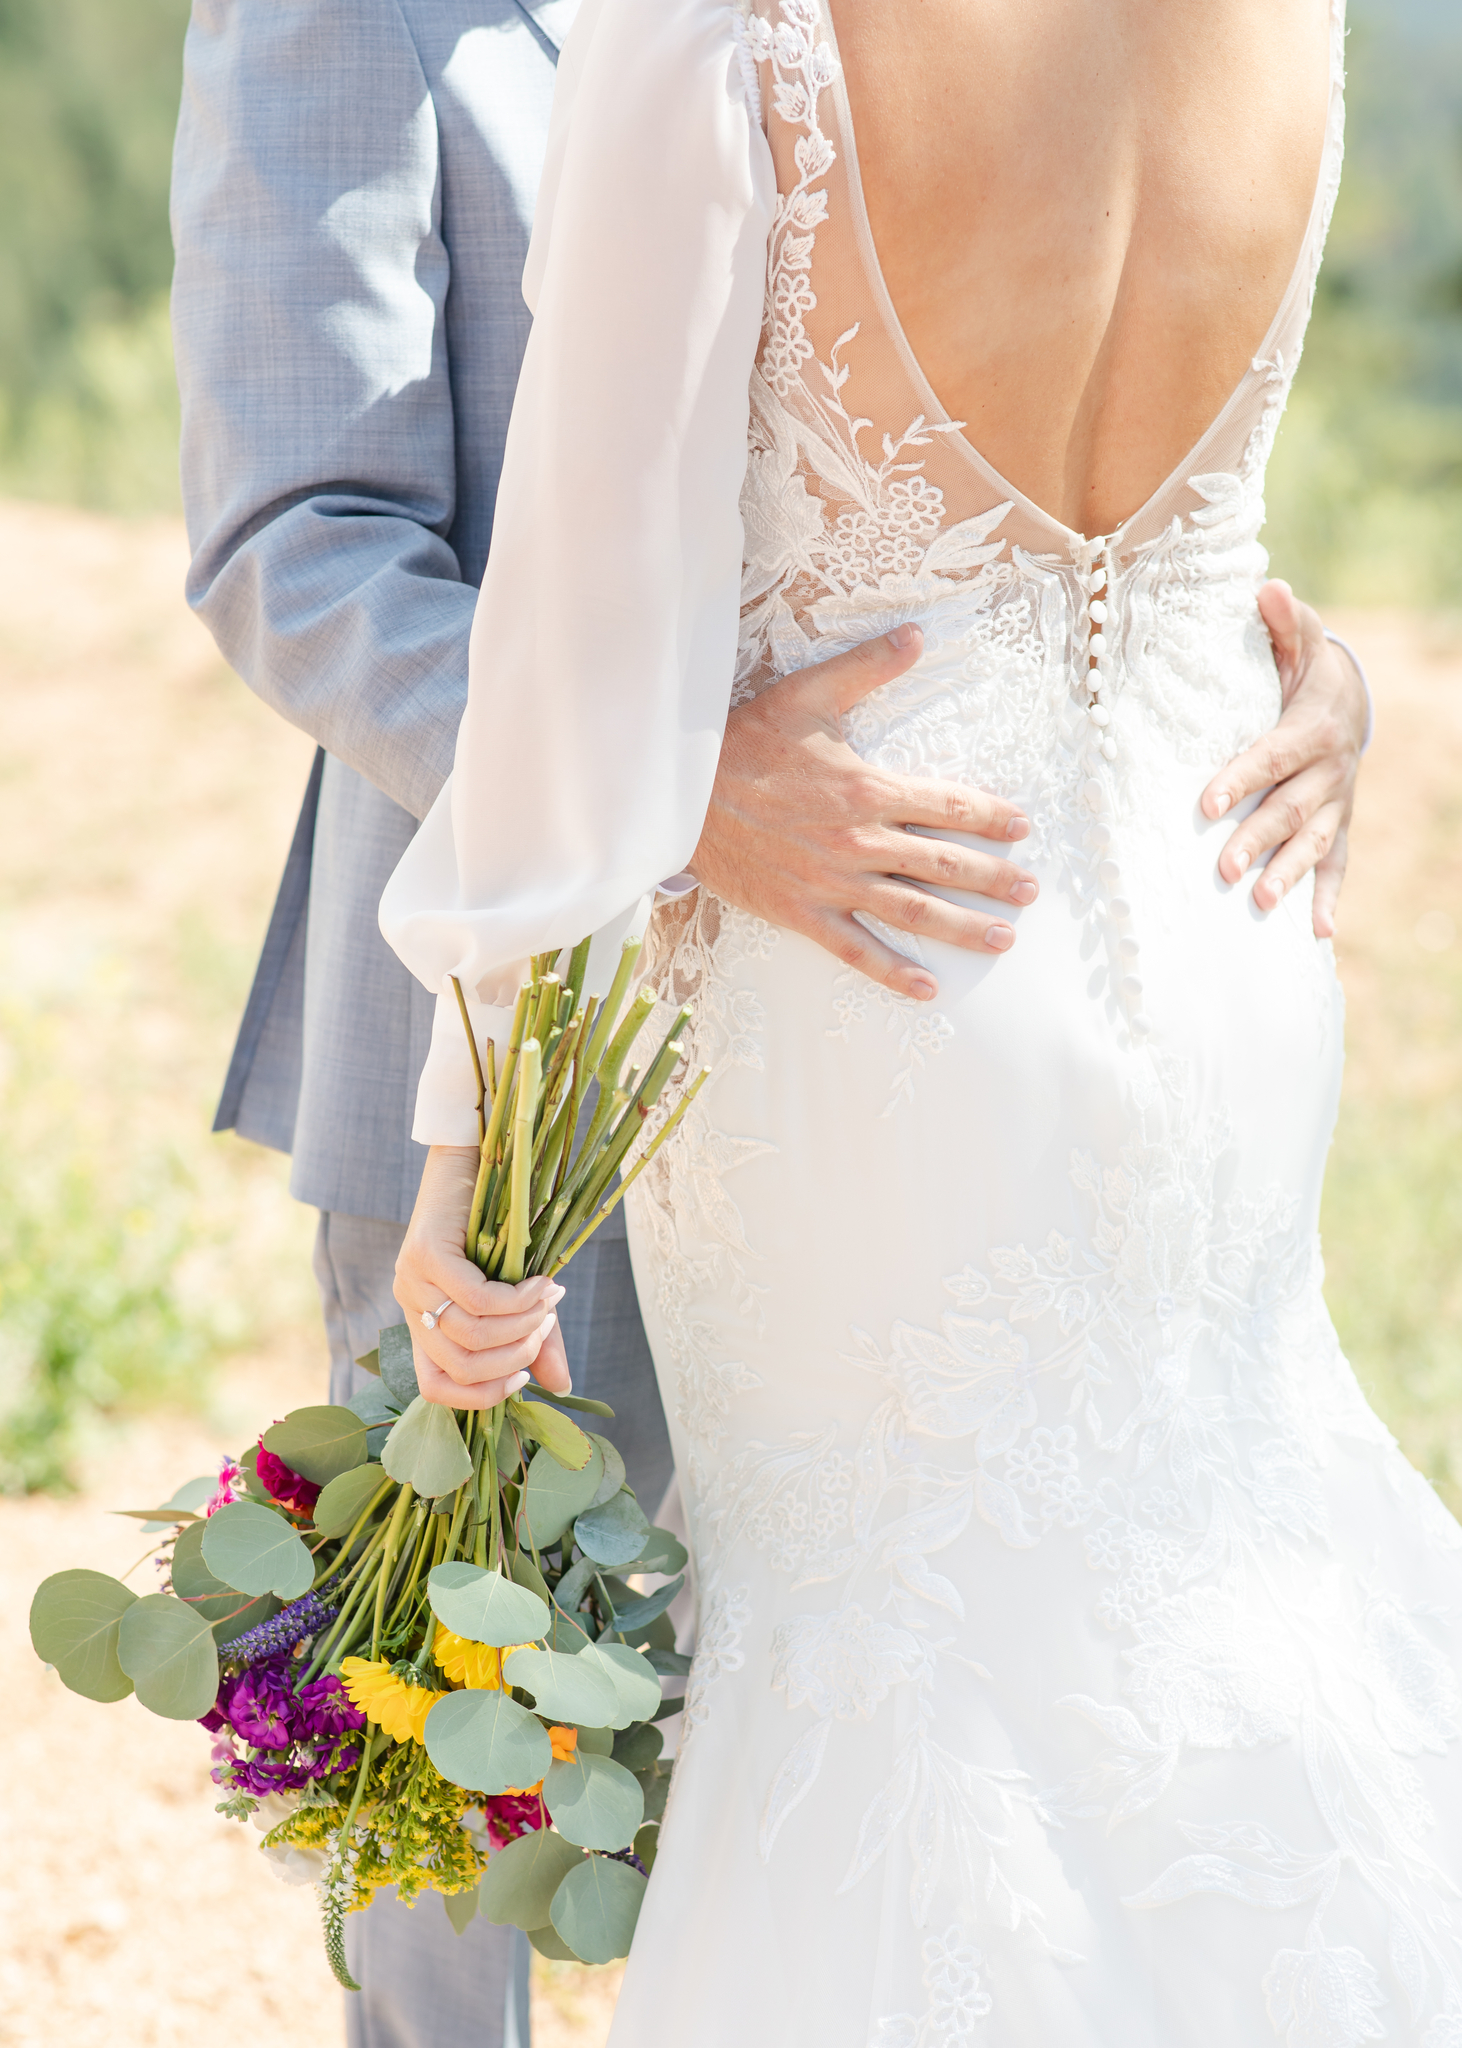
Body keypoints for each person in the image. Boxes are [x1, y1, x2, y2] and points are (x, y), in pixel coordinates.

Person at [382, 0, 1462, 2042]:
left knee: (892, 1695)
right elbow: (1184, 532)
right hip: (1224, 917)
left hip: (875, 962)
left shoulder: (725, 24)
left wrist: (473, 1155)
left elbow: (578, 624)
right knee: (1225, 1578)